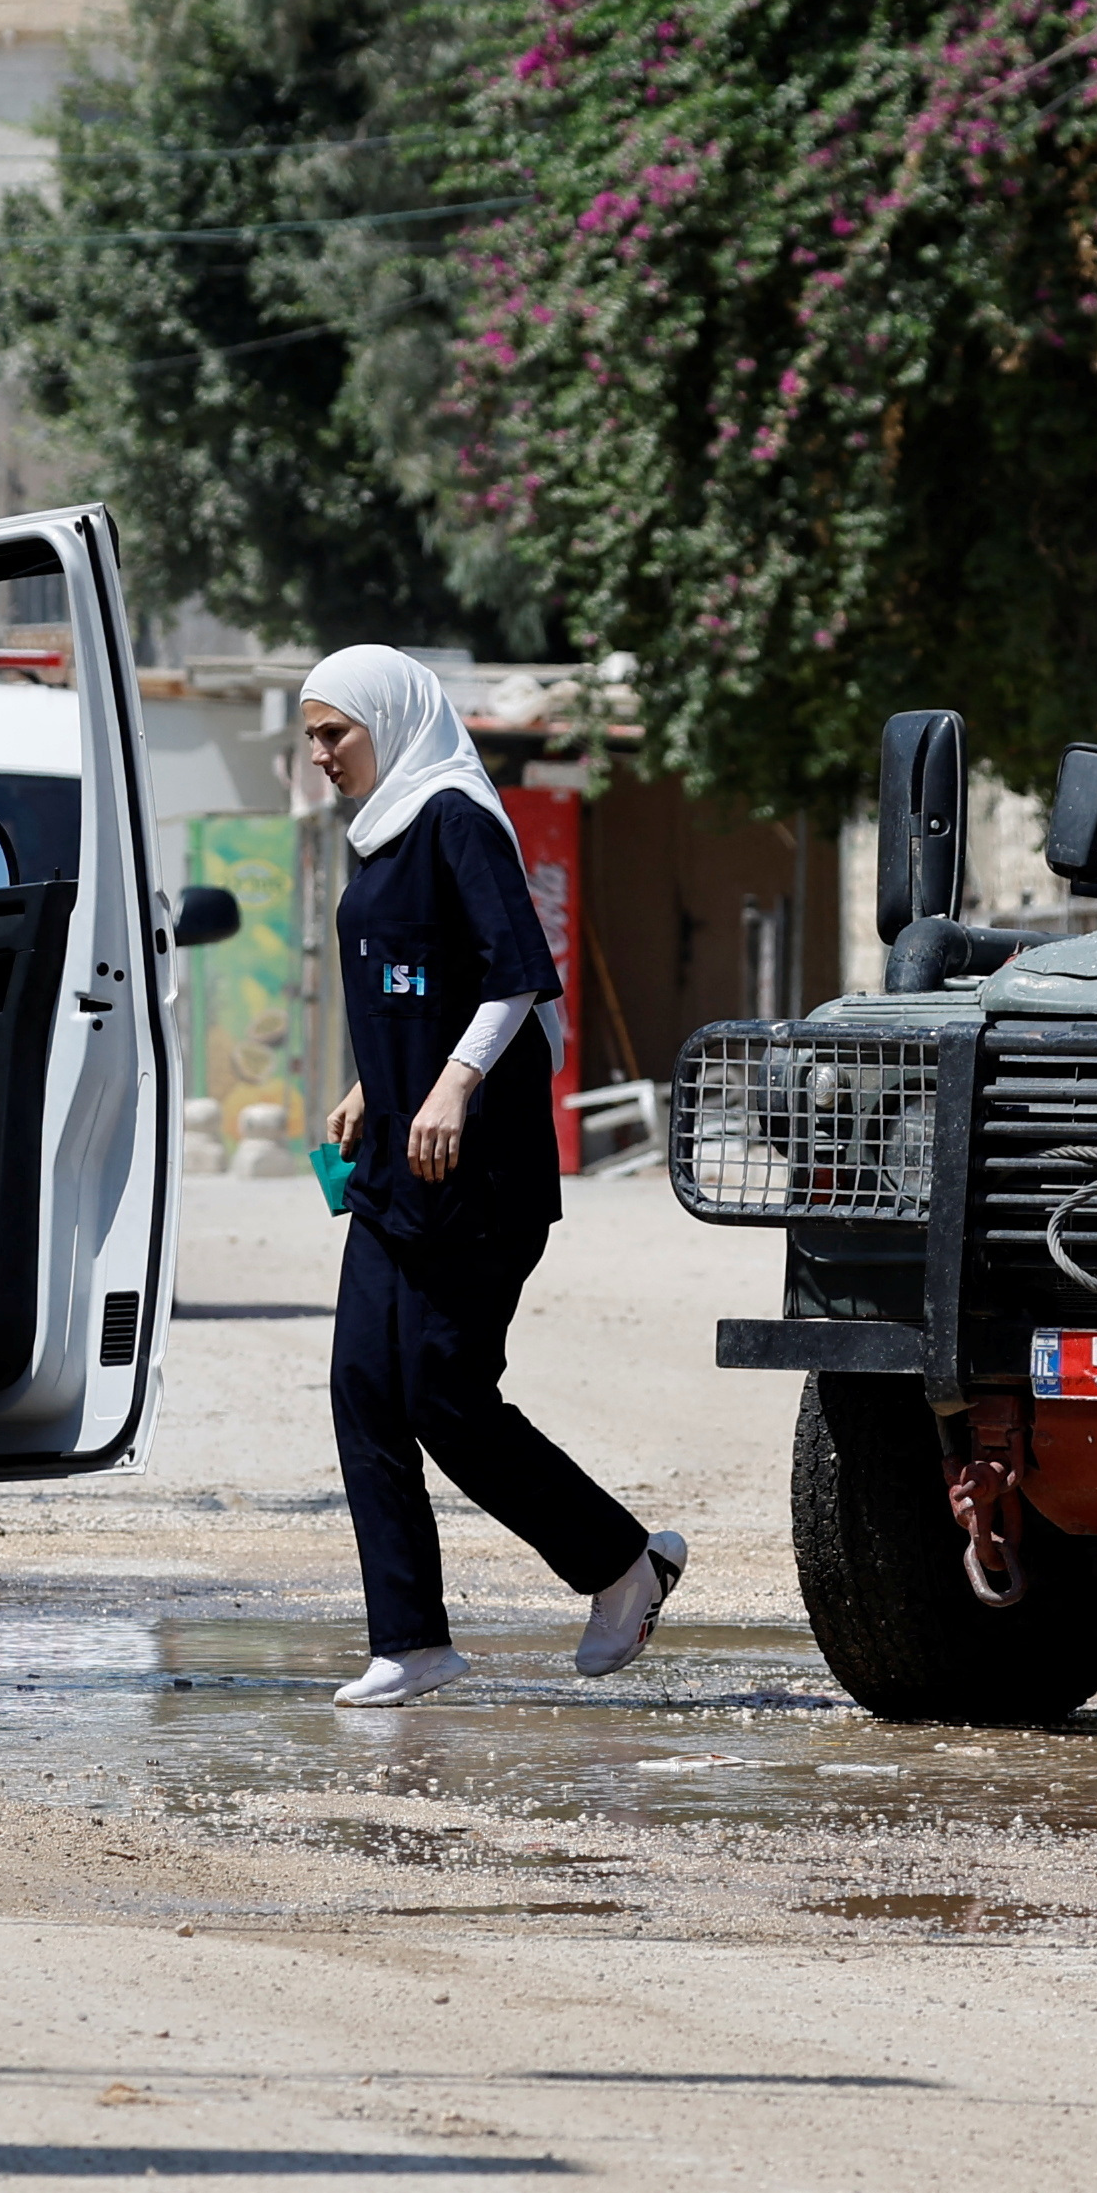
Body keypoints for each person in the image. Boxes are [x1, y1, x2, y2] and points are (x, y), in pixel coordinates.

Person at [297, 645, 678, 1708]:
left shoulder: (457, 817)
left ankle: (621, 1568)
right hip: (395, 1164)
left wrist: (453, 1084)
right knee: (363, 1389)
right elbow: (416, 984)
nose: (322, 753)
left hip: (481, 1169)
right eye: (313, 735)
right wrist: (374, 1086)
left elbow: (514, 974)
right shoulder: (375, 835)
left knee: (444, 1394)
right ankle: (410, 1639)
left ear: (389, 718)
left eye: (336, 731)